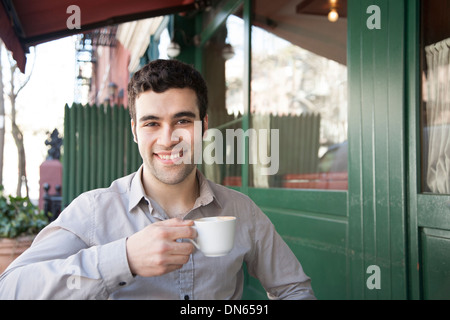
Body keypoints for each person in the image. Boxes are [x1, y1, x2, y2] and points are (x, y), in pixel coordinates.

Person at [0, 59, 315, 300]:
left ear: (203, 127)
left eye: (182, 120)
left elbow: (294, 289)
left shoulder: (242, 211)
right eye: (152, 123)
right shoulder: (94, 211)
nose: (168, 139)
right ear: (135, 131)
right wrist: (123, 259)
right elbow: (11, 288)